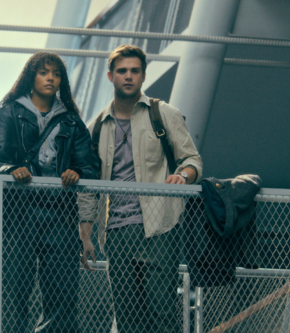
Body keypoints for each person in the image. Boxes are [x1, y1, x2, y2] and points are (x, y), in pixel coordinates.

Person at [79, 45, 203, 333]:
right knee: (127, 321)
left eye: (135, 71)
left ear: (143, 76)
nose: (128, 76)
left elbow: (192, 159)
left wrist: (183, 175)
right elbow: (88, 187)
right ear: (110, 76)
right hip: (116, 232)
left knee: (162, 316)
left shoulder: (163, 113)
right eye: (122, 71)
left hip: (159, 228)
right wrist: (85, 236)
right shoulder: (96, 127)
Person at [0, 52, 100, 333]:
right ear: (31, 77)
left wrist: (78, 173)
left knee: (63, 297)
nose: (51, 78)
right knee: (12, 294)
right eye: (43, 72)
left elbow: (91, 167)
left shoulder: (71, 121)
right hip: (18, 213)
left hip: (59, 215)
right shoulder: (9, 112)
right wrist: (11, 170)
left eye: (56, 74)